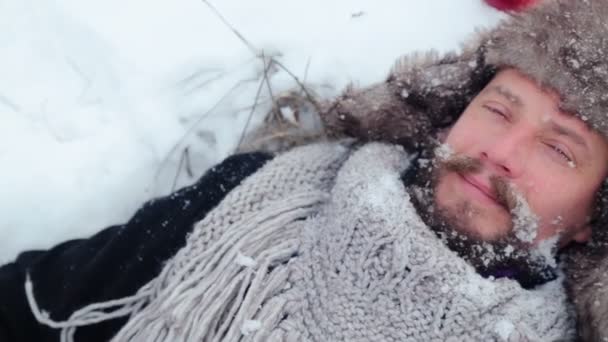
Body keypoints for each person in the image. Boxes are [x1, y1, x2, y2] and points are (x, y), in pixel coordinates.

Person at [2, 0, 608, 341]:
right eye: (498, 109)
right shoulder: (260, 203)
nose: (501, 151)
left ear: (592, 218)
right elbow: (44, 299)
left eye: (559, 150)